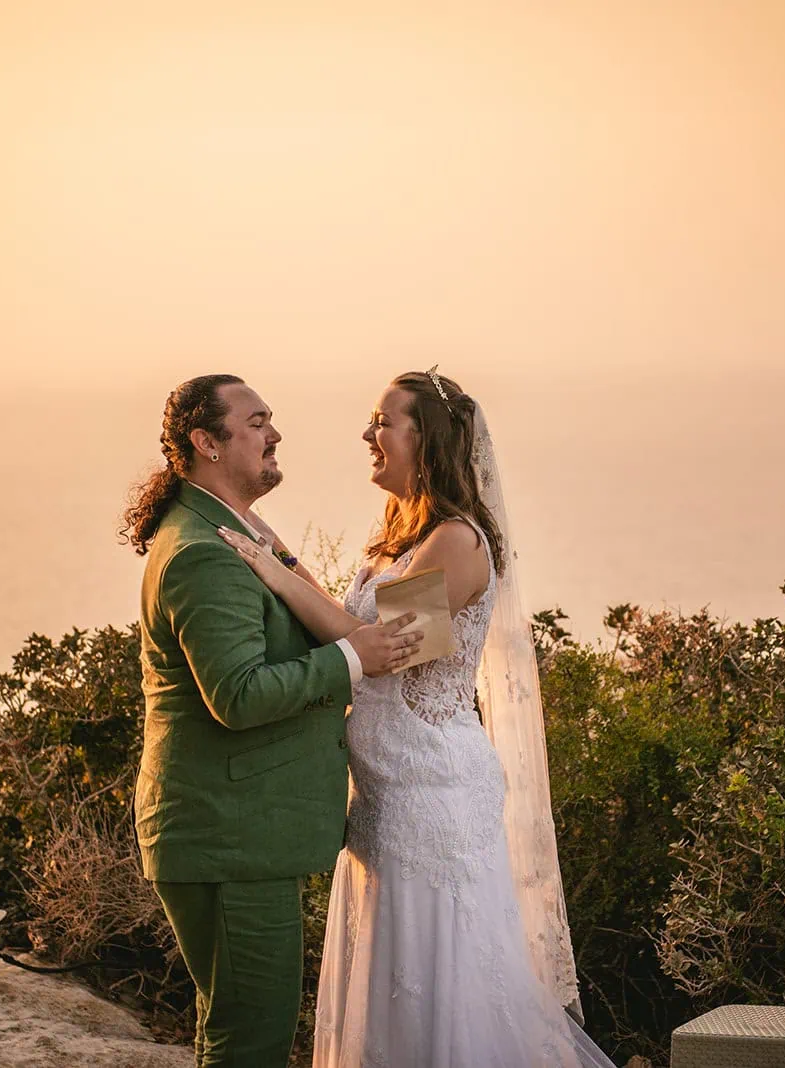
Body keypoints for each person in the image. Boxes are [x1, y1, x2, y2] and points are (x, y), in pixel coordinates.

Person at [220, 369, 615, 1067]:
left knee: (437, 985)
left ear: (424, 440)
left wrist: (273, 573)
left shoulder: (459, 543)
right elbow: (351, 623)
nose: (368, 436)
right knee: (389, 985)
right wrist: (272, 547)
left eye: (383, 422)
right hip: (387, 797)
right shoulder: (405, 538)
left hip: (432, 798)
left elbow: (383, 649)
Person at [123, 374, 422, 1067]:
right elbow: (240, 695)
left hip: (240, 832)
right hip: (228, 836)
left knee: (233, 1028)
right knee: (248, 1041)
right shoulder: (203, 552)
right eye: (256, 422)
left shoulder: (231, 527)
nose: (274, 434)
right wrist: (355, 656)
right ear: (207, 443)